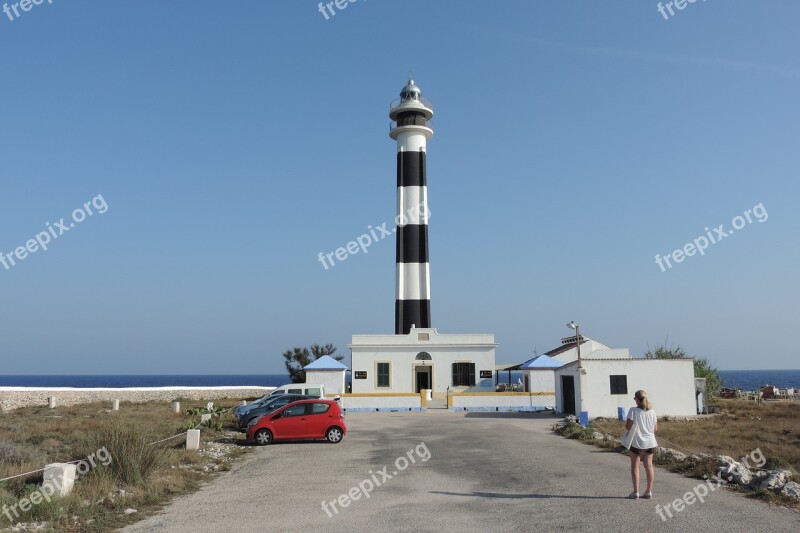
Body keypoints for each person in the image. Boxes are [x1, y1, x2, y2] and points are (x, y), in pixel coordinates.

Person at [625, 390, 658, 499]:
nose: (634, 400)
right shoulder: (652, 412)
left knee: (635, 466)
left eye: (635, 398)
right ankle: (648, 491)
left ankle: (636, 492)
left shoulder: (633, 411)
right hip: (651, 442)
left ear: (638, 400)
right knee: (649, 466)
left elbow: (628, 426)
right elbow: (655, 428)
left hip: (637, 442)